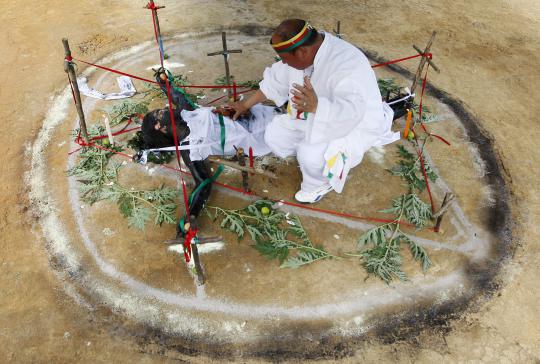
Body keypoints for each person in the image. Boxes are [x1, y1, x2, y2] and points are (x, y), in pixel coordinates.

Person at [230, 19, 399, 203]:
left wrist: (318, 106)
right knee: (275, 135)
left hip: (353, 126)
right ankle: (310, 153)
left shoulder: (346, 65)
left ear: (302, 51)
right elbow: (276, 80)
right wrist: (245, 105)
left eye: (286, 59)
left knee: (310, 156)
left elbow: (353, 113)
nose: (284, 63)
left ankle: (319, 184)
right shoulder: (306, 53)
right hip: (316, 116)